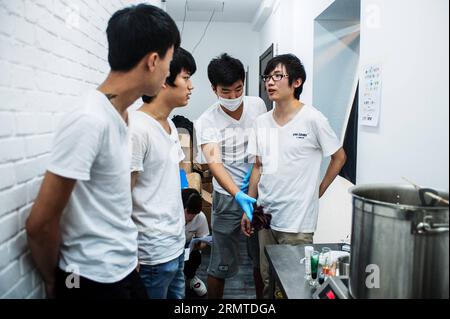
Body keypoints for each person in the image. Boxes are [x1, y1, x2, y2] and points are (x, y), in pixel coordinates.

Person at [25, 4, 180, 299]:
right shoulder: (88, 119)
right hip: (89, 279)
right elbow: (40, 223)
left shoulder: (122, 115)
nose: (169, 72)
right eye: (169, 62)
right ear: (152, 61)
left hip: (122, 268)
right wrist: (55, 282)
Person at [242, 54, 347, 299]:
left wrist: (318, 190)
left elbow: (339, 157)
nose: (270, 82)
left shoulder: (313, 119)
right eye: (267, 76)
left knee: (293, 287)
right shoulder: (261, 122)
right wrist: (249, 206)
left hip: (297, 220)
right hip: (264, 215)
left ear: (296, 82)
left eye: (278, 76)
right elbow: (258, 166)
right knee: (267, 279)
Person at [194, 53, 267, 299]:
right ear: (214, 89)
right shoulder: (206, 121)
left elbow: (263, 145)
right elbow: (214, 164)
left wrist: (252, 187)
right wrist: (238, 194)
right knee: (221, 263)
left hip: (257, 194)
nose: (234, 97)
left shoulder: (257, 105)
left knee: (261, 259)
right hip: (228, 198)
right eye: (226, 92)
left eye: (238, 89)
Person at [130, 47, 196, 299]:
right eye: (186, 78)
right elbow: (122, 196)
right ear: (164, 80)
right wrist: (129, 252)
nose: (191, 86)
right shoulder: (136, 128)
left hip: (176, 247)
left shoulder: (169, 125)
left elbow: (173, 178)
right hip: (150, 256)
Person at [182, 188, 210, 297]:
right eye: (188, 212)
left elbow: (203, 239)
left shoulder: (200, 217)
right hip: (169, 247)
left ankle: (191, 277)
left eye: (194, 214)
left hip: (188, 247)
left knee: (196, 256)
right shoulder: (171, 215)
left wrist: (199, 245)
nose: (191, 217)